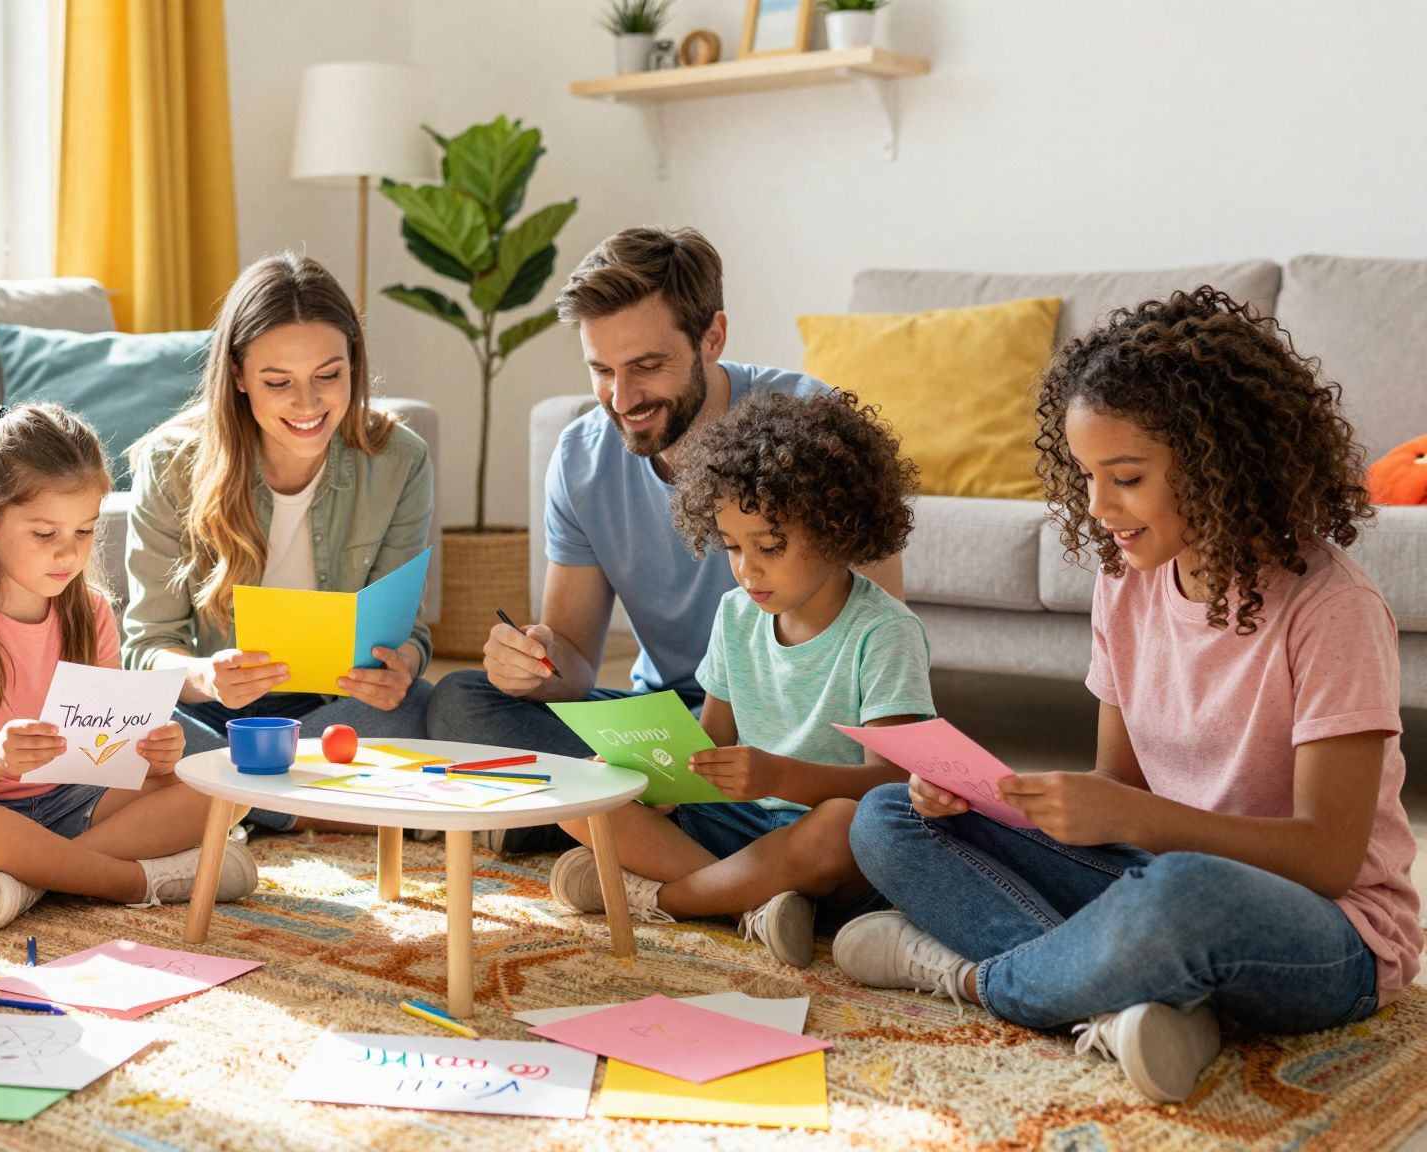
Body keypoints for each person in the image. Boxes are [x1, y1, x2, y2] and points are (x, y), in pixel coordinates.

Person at [835, 287, 1422, 1104]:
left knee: (1183, 892)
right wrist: (996, 796)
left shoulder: (1332, 609)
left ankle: (973, 979)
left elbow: (1327, 857)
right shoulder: (1128, 583)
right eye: (1085, 478)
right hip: (1155, 879)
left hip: (1327, 934)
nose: (1098, 509)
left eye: (1127, 478)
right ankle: (1125, 1001)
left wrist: (1134, 824)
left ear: (1223, 464)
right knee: (888, 818)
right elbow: (1121, 789)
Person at [426, 226, 902, 855]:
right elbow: (571, 660)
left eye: (648, 367)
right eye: (602, 371)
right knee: (463, 700)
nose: (622, 399)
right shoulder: (580, 457)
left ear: (713, 337)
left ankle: (614, 830)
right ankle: (696, 834)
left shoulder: (811, 427)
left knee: (866, 808)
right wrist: (534, 662)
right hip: (668, 720)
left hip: (791, 724)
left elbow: (876, 629)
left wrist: (774, 756)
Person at [548, 392, 930, 966]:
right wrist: (653, 776)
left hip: (827, 847)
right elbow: (710, 746)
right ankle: (751, 906)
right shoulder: (735, 613)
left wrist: (779, 775)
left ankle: (660, 896)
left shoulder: (884, 633)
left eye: (770, 547)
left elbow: (894, 784)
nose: (747, 568)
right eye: (731, 546)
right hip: (737, 824)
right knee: (576, 789)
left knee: (842, 824)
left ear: (837, 530)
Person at [0, 402, 258, 930]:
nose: (68, 554)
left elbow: (105, 754)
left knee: (223, 785)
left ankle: (29, 879)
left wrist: (151, 754)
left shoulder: (92, 611)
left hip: (71, 804)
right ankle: (136, 882)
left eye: (83, 532)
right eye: (45, 534)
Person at [123, 252, 434, 833]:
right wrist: (206, 676)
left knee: (430, 707)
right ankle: (320, 807)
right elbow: (145, 651)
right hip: (216, 717)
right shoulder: (170, 465)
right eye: (277, 382)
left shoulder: (400, 460)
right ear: (238, 376)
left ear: (353, 364)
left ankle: (234, 807)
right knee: (130, 725)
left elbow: (408, 633)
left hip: (332, 713)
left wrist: (401, 669)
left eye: (328, 375)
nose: (308, 404)